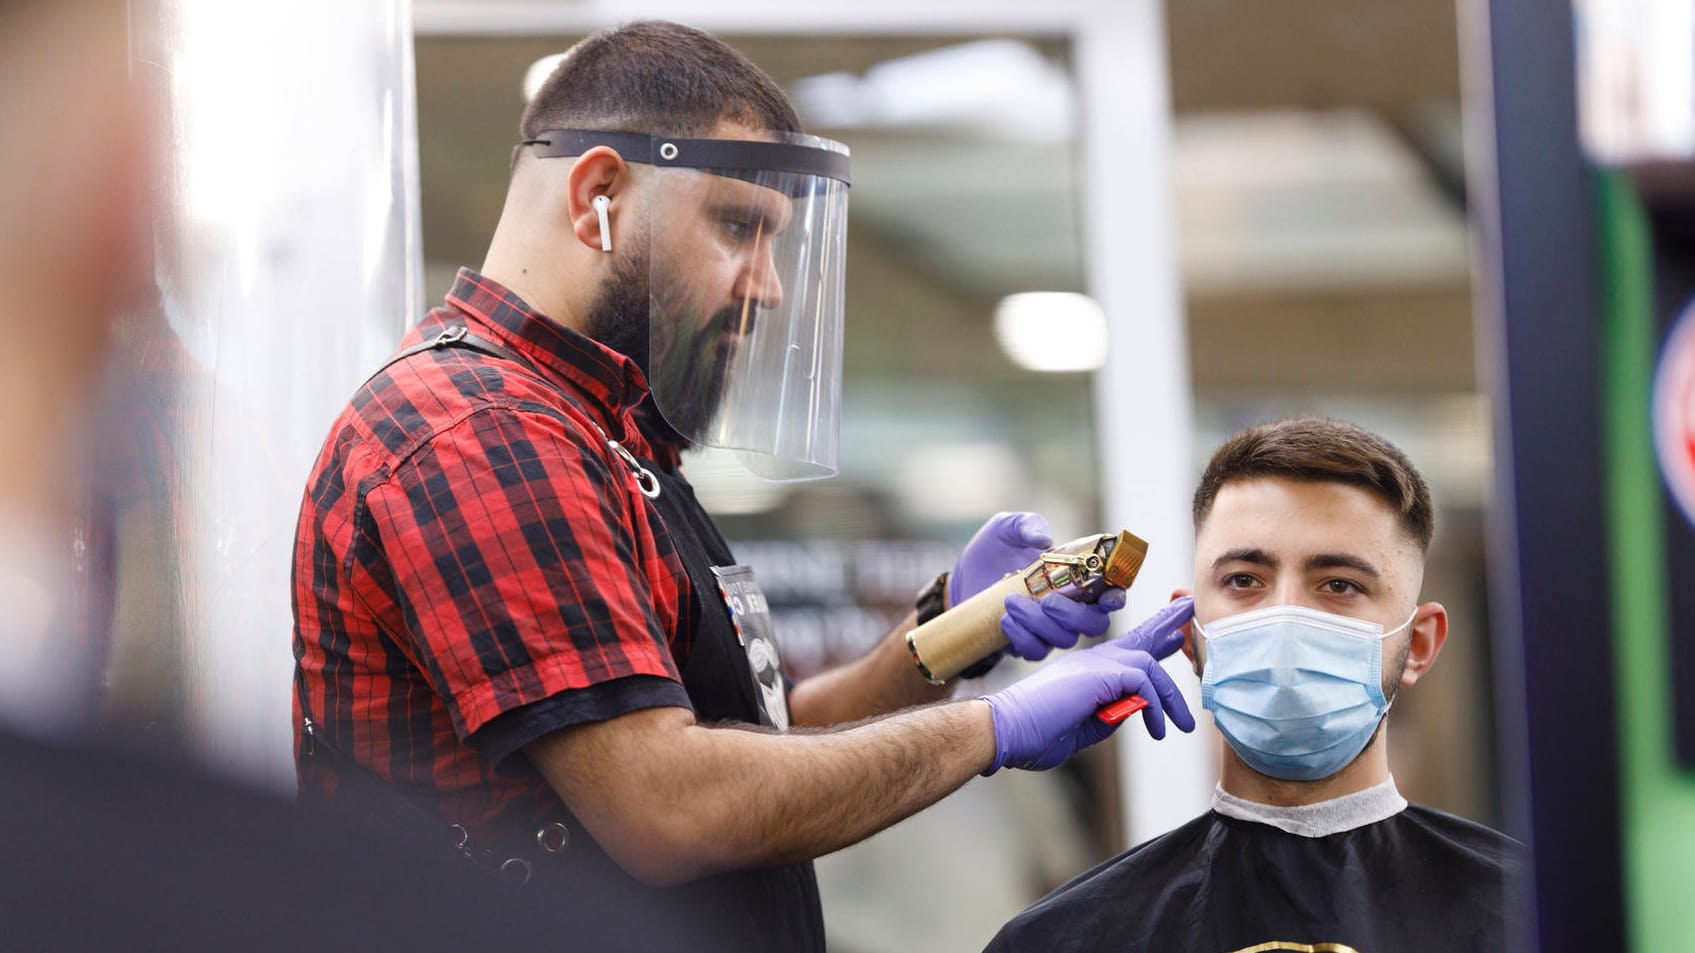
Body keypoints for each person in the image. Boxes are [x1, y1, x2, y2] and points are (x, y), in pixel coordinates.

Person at [292, 19, 1196, 951]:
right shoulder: (482, 430)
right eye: (736, 226)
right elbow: (668, 804)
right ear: (598, 192)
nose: (767, 288)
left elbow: (759, 737)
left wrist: (952, 628)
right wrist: (992, 728)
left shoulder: (602, 431)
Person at [984, 416, 1523, 953]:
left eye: (1339, 584)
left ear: (1420, 644)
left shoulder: (1534, 916)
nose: (1285, 619)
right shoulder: (1065, 940)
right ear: (1189, 634)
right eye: (1244, 580)